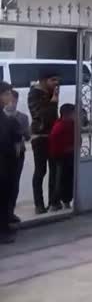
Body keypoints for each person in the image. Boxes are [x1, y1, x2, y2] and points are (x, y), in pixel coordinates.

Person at [28, 70, 60, 214]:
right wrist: (53, 102)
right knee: (41, 170)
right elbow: (44, 116)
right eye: (53, 80)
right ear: (43, 80)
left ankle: (54, 202)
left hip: (52, 136)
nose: (56, 83)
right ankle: (39, 204)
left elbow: (54, 117)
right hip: (40, 137)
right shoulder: (34, 94)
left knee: (55, 169)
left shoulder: (50, 93)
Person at [5, 90, 29, 224]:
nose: (11, 103)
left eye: (14, 100)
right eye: (9, 99)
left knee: (14, 184)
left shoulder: (22, 117)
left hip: (18, 155)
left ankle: (11, 212)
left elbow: (27, 135)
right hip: (5, 155)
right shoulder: (2, 117)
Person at [0, 82, 20, 242]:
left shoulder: (5, 116)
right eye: (6, 93)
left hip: (7, 164)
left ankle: (5, 227)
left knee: (6, 196)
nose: (9, 97)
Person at [49, 104, 76, 210]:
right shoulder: (59, 127)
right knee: (60, 181)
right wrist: (67, 149)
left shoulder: (72, 124)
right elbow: (54, 144)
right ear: (67, 114)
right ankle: (55, 203)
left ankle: (66, 201)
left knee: (69, 180)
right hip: (61, 158)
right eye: (74, 113)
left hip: (70, 156)